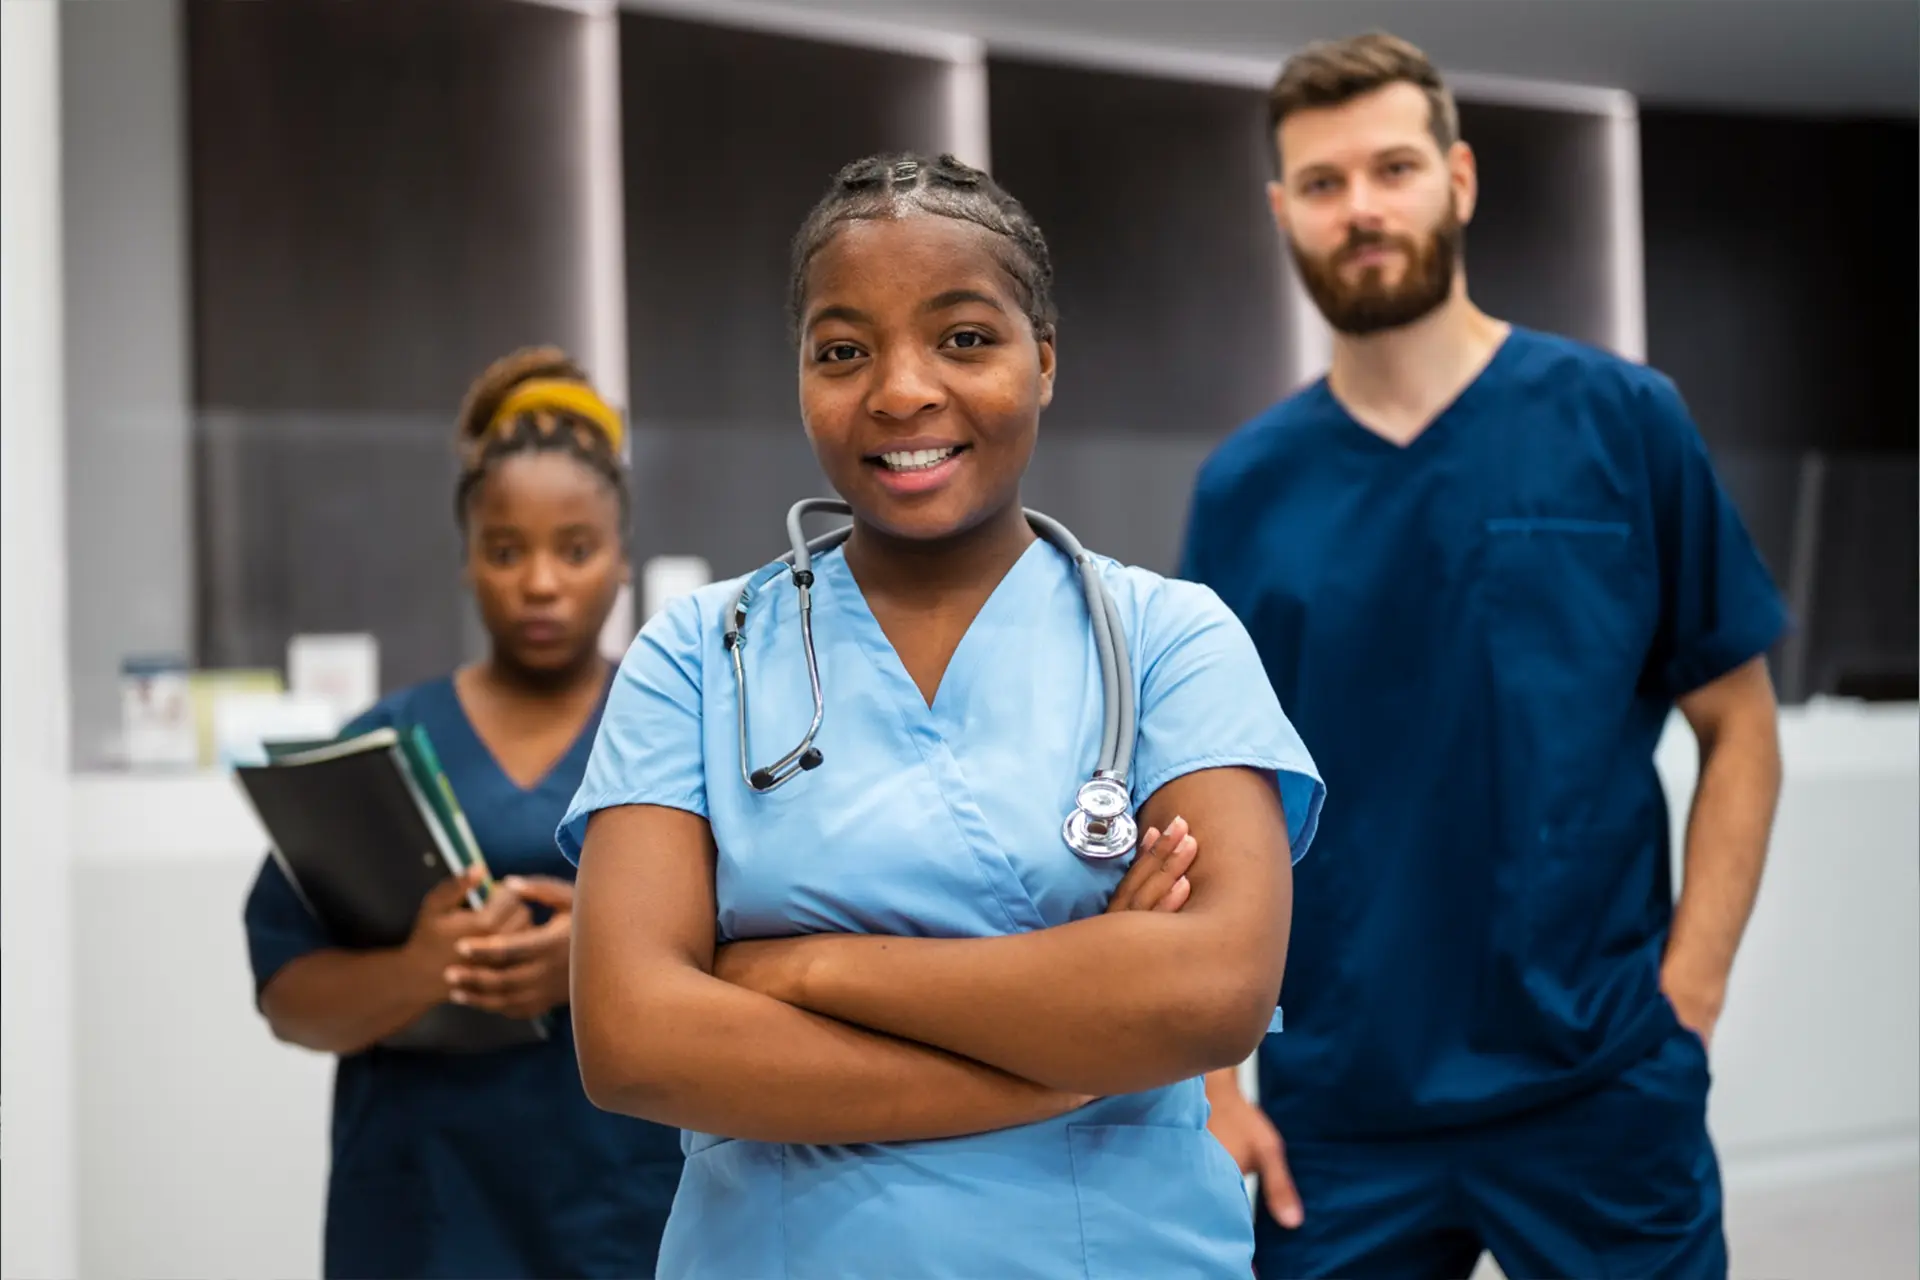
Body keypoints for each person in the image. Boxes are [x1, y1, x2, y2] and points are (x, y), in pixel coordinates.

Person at [558, 151, 1327, 1279]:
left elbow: (1211, 991)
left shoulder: (1173, 639)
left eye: (964, 337)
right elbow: (632, 1037)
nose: (902, 390)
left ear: (1045, 358)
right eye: (843, 349)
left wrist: (804, 970)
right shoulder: (699, 653)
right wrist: (1068, 1049)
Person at [1182, 32, 1787, 1280]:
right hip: (1339, 1110)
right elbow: (1203, 798)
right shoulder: (1244, 489)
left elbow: (1742, 729)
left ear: (1457, 179)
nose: (1362, 209)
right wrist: (1210, 1084)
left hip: (1600, 1082)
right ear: (1282, 210)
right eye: (1326, 181)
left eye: (1392, 168)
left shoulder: (1622, 422)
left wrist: (1689, 1003)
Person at [242, 348, 685, 1279]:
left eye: (575, 548)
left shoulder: (678, 738)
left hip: (623, 1209)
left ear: (621, 562)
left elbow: (769, 965)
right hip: (420, 1216)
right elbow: (288, 998)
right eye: (505, 550)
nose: (540, 583)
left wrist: (591, 962)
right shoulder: (380, 750)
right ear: (465, 561)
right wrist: (419, 970)